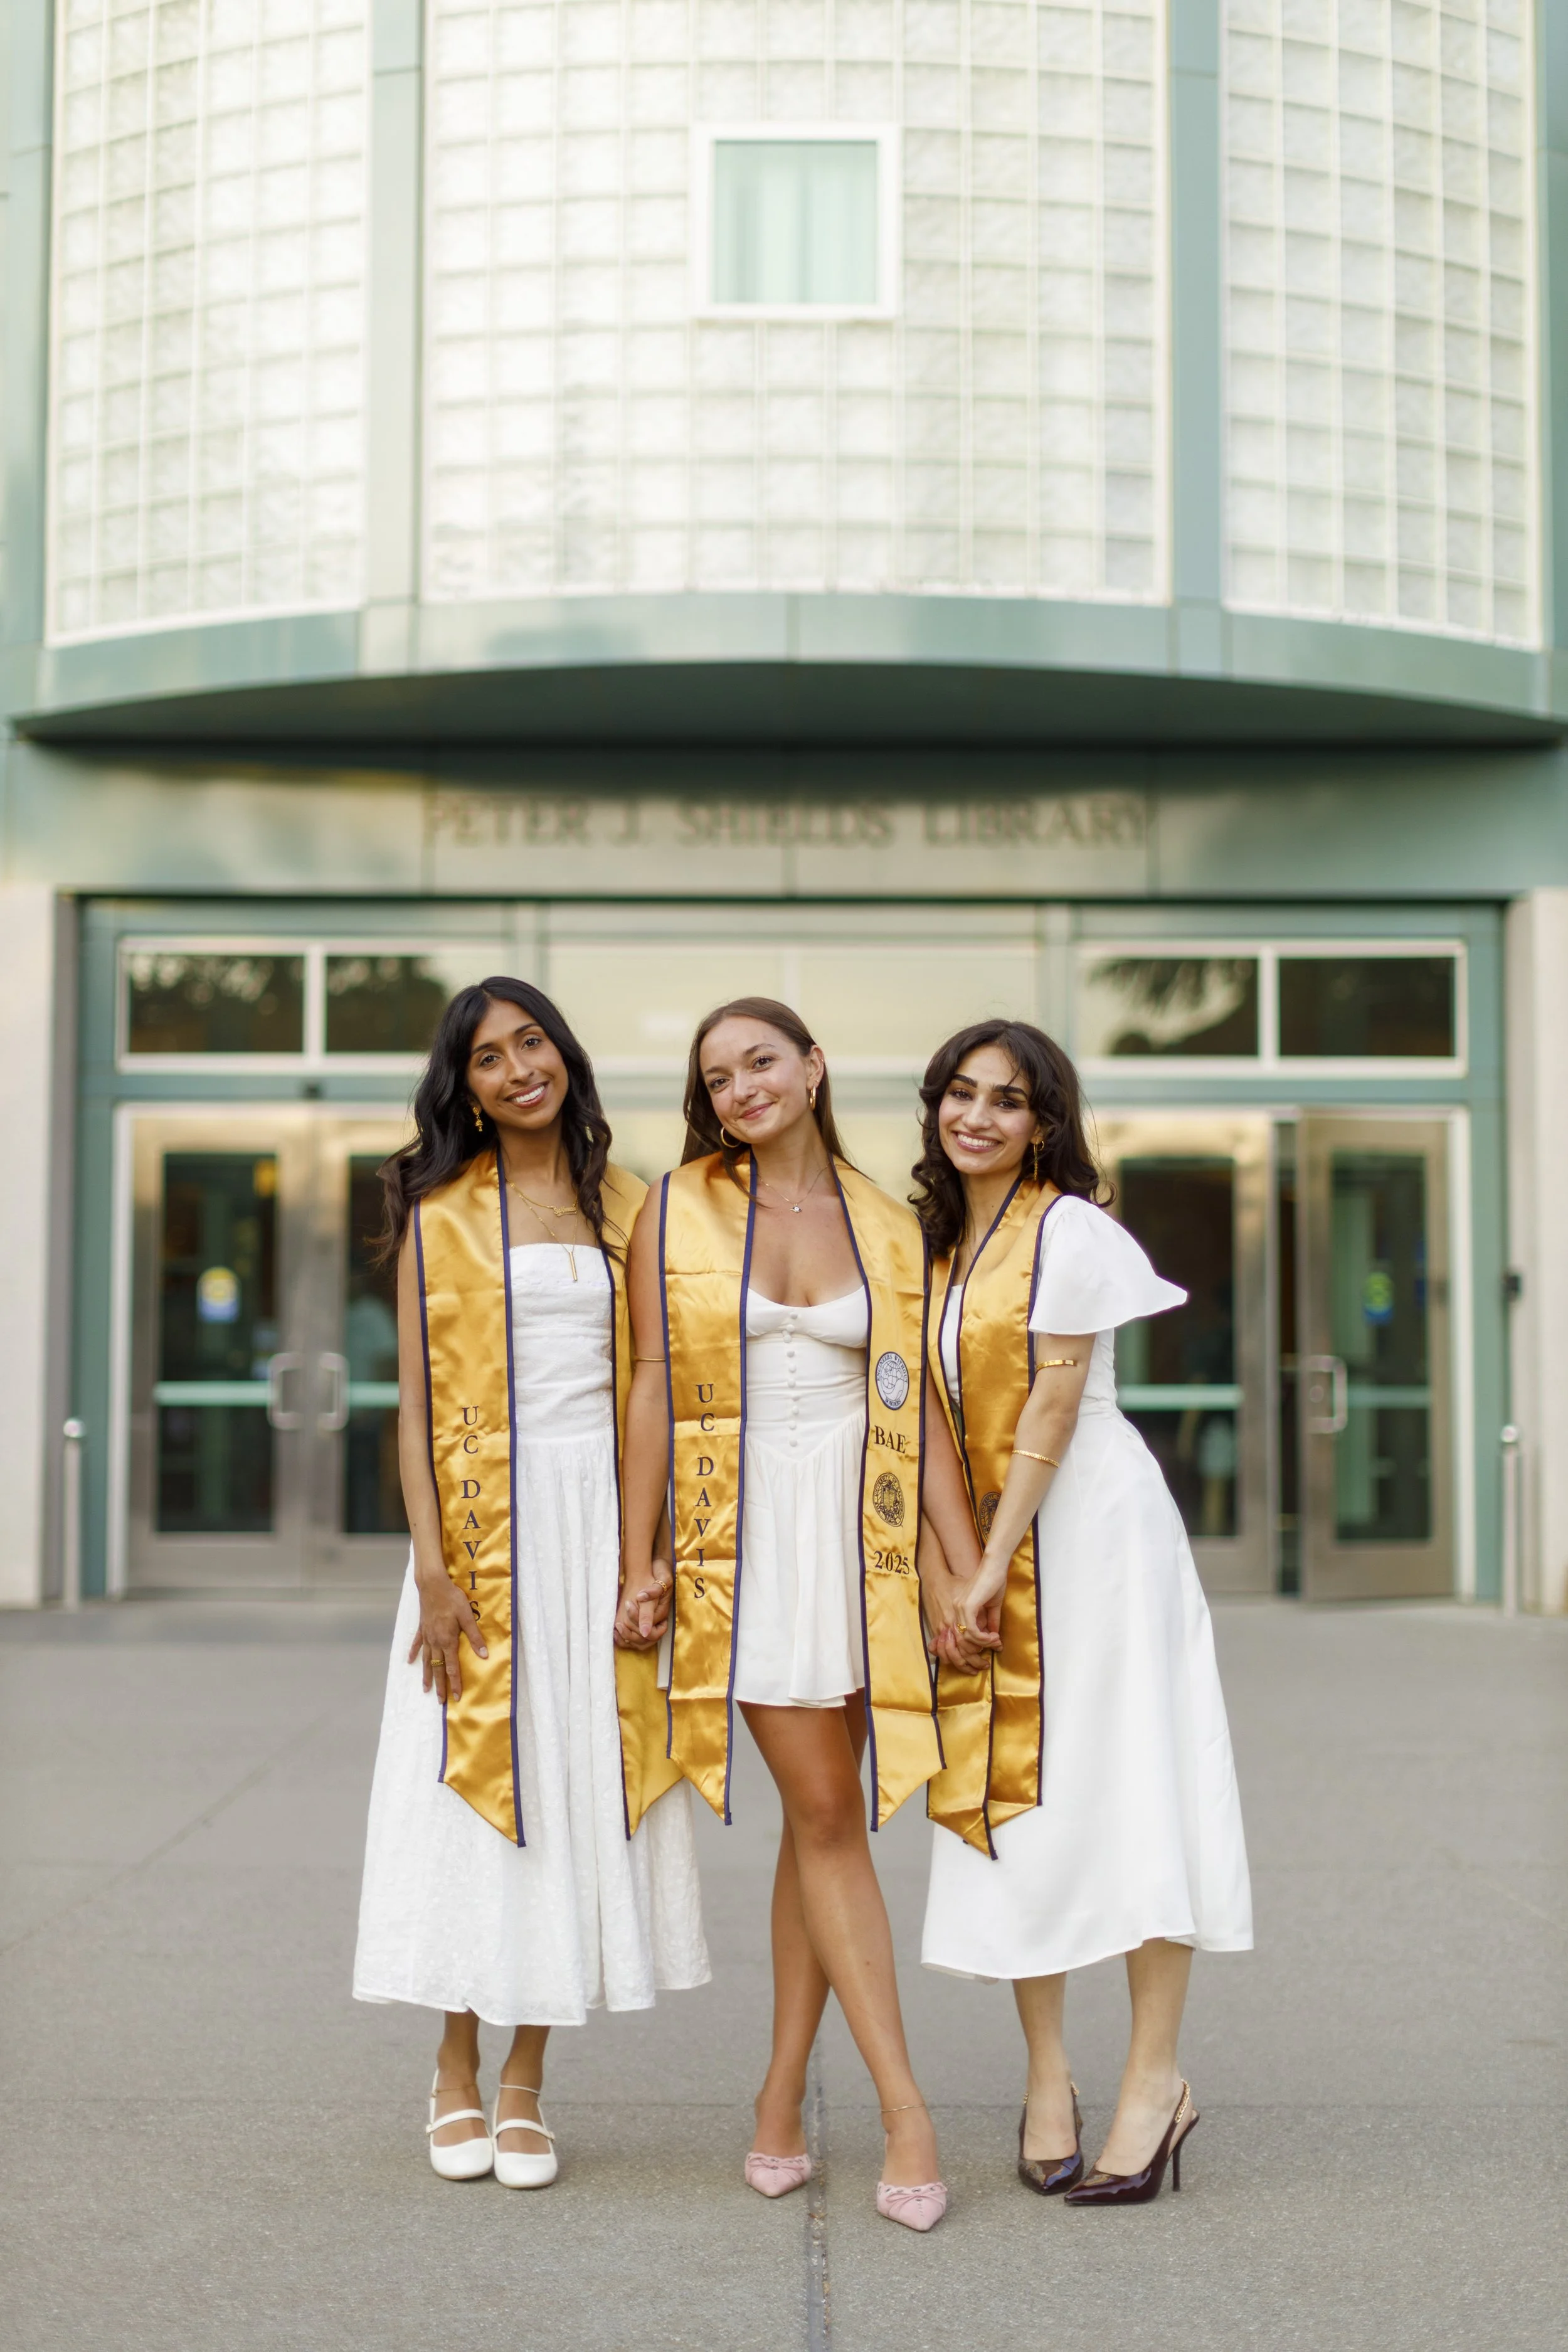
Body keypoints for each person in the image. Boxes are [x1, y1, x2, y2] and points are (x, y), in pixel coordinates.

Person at [615, 998, 981, 2233]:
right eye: (716, 1075)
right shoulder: (679, 1206)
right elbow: (651, 1383)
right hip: (743, 1534)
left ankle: (776, 2090)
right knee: (826, 1811)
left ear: (813, 1068)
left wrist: (961, 1563)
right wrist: (640, 1555)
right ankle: (904, 2109)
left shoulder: (891, 1223)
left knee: (818, 1825)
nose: (739, 1088)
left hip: (860, 1537)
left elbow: (921, 1405)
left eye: (760, 1061)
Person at [354, 978, 709, 2185]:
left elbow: (658, 1382)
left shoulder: (635, 1203)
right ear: (463, 1086)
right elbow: (412, 1407)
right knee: (473, 1791)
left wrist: (648, 1550)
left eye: (532, 1043)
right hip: (480, 1539)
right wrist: (435, 1573)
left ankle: (527, 2077)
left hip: (598, 1523)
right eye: (488, 1057)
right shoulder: (436, 1207)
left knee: (573, 1788)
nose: (517, 1070)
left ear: (564, 1052)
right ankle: (454, 2063)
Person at [915, 1019, 1253, 2206]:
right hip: (1005, 1542)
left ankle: (1156, 2078)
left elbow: (1051, 1415)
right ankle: (1048, 2076)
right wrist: (954, 1565)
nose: (979, 1117)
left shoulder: (1071, 1230)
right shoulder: (945, 1244)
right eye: (961, 1094)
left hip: (1092, 1537)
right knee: (1030, 1802)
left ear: (1046, 1122)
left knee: (1133, 1789)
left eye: (1008, 1101)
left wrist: (991, 1562)